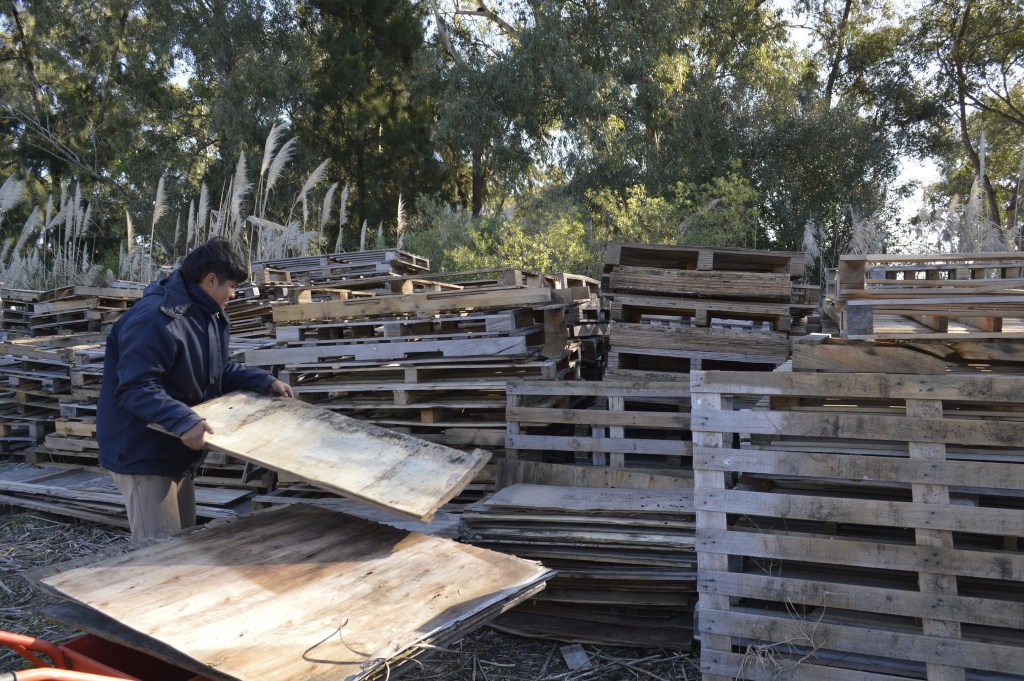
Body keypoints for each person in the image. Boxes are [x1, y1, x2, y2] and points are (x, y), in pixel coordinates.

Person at [97, 237, 293, 541]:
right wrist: (183, 420)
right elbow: (136, 388)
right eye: (231, 286)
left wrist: (263, 381)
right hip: (142, 451)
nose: (233, 294)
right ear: (211, 279)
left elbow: (218, 369)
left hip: (175, 448)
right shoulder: (155, 319)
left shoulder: (207, 315)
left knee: (186, 541)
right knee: (159, 553)